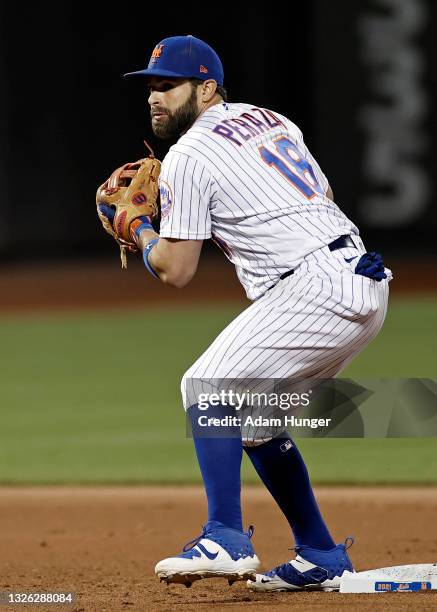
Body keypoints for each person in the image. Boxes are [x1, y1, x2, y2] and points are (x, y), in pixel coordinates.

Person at [100, 34, 391, 591]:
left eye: (168, 86)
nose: (154, 98)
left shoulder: (186, 155)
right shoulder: (268, 118)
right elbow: (319, 192)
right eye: (150, 88)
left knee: (207, 386)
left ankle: (225, 536)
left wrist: (136, 228)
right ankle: (321, 553)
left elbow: (176, 269)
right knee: (256, 424)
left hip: (316, 288)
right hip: (359, 279)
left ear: (207, 88)